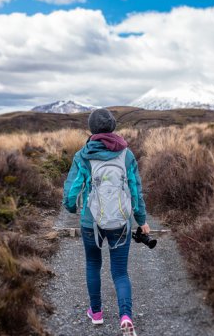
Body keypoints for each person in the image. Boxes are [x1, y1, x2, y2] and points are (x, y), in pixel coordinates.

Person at [62, 108, 150, 336]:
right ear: (112, 127)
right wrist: (141, 220)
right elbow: (135, 190)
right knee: (120, 272)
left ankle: (97, 313)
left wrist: (72, 207)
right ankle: (126, 316)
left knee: (93, 265)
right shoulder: (127, 154)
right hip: (121, 222)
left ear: (92, 129)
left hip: (91, 222)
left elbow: (72, 192)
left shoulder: (83, 155)